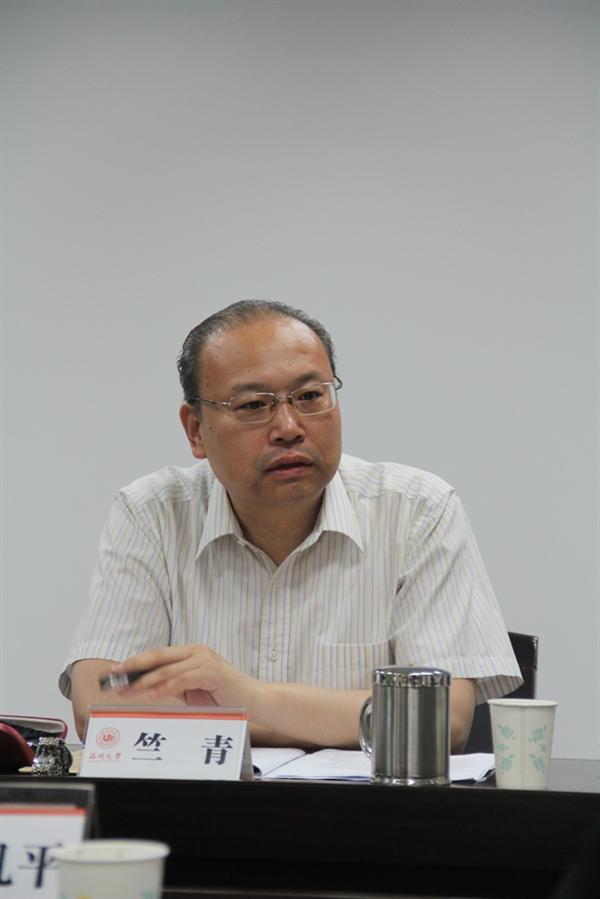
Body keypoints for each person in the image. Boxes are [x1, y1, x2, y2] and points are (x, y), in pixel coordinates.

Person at [59, 300, 521, 750]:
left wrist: (247, 699)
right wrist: (334, 718)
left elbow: (442, 718)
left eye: (310, 397)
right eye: (253, 405)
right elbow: (99, 706)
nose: (288, 427)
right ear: (195, 430)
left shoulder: (417, 511)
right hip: (203, 802)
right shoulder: (152, 515)